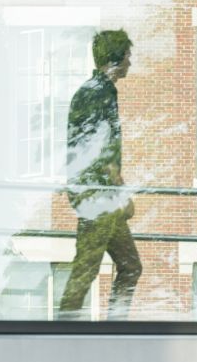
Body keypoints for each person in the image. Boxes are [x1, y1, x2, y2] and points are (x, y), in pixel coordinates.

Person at [58, 29, 140, 322]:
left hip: (100, 194)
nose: (131, 62)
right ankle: (63, 333)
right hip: (97, 195)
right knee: (86, 268)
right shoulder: (99, 91)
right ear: (115, 58)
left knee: (130, 265)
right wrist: (120, 193)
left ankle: (115, 327)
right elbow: (99, 150)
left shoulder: (97, 90)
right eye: (128, 56)